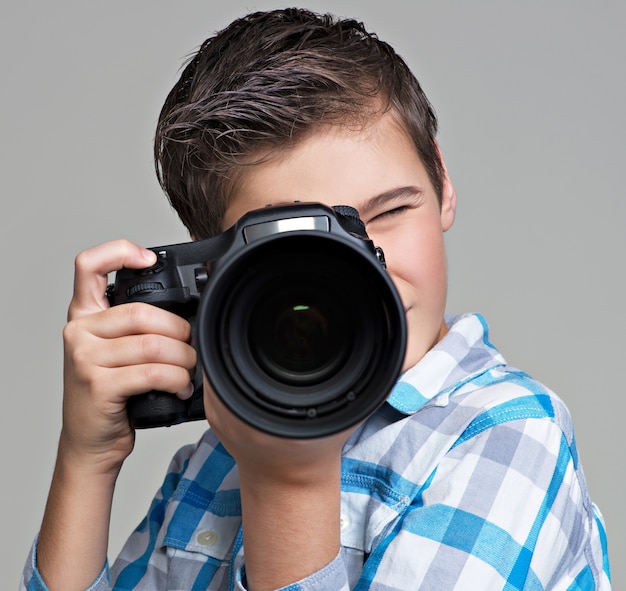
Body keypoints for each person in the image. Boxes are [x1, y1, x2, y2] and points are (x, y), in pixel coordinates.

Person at [21, 8, 611, 591]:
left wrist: (288, 484)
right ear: (222, 272)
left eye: (391, 211)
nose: (364, 269)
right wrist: (86, 459)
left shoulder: (508, 435)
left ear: (442, 179)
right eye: (305, 252)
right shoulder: (216, 458)